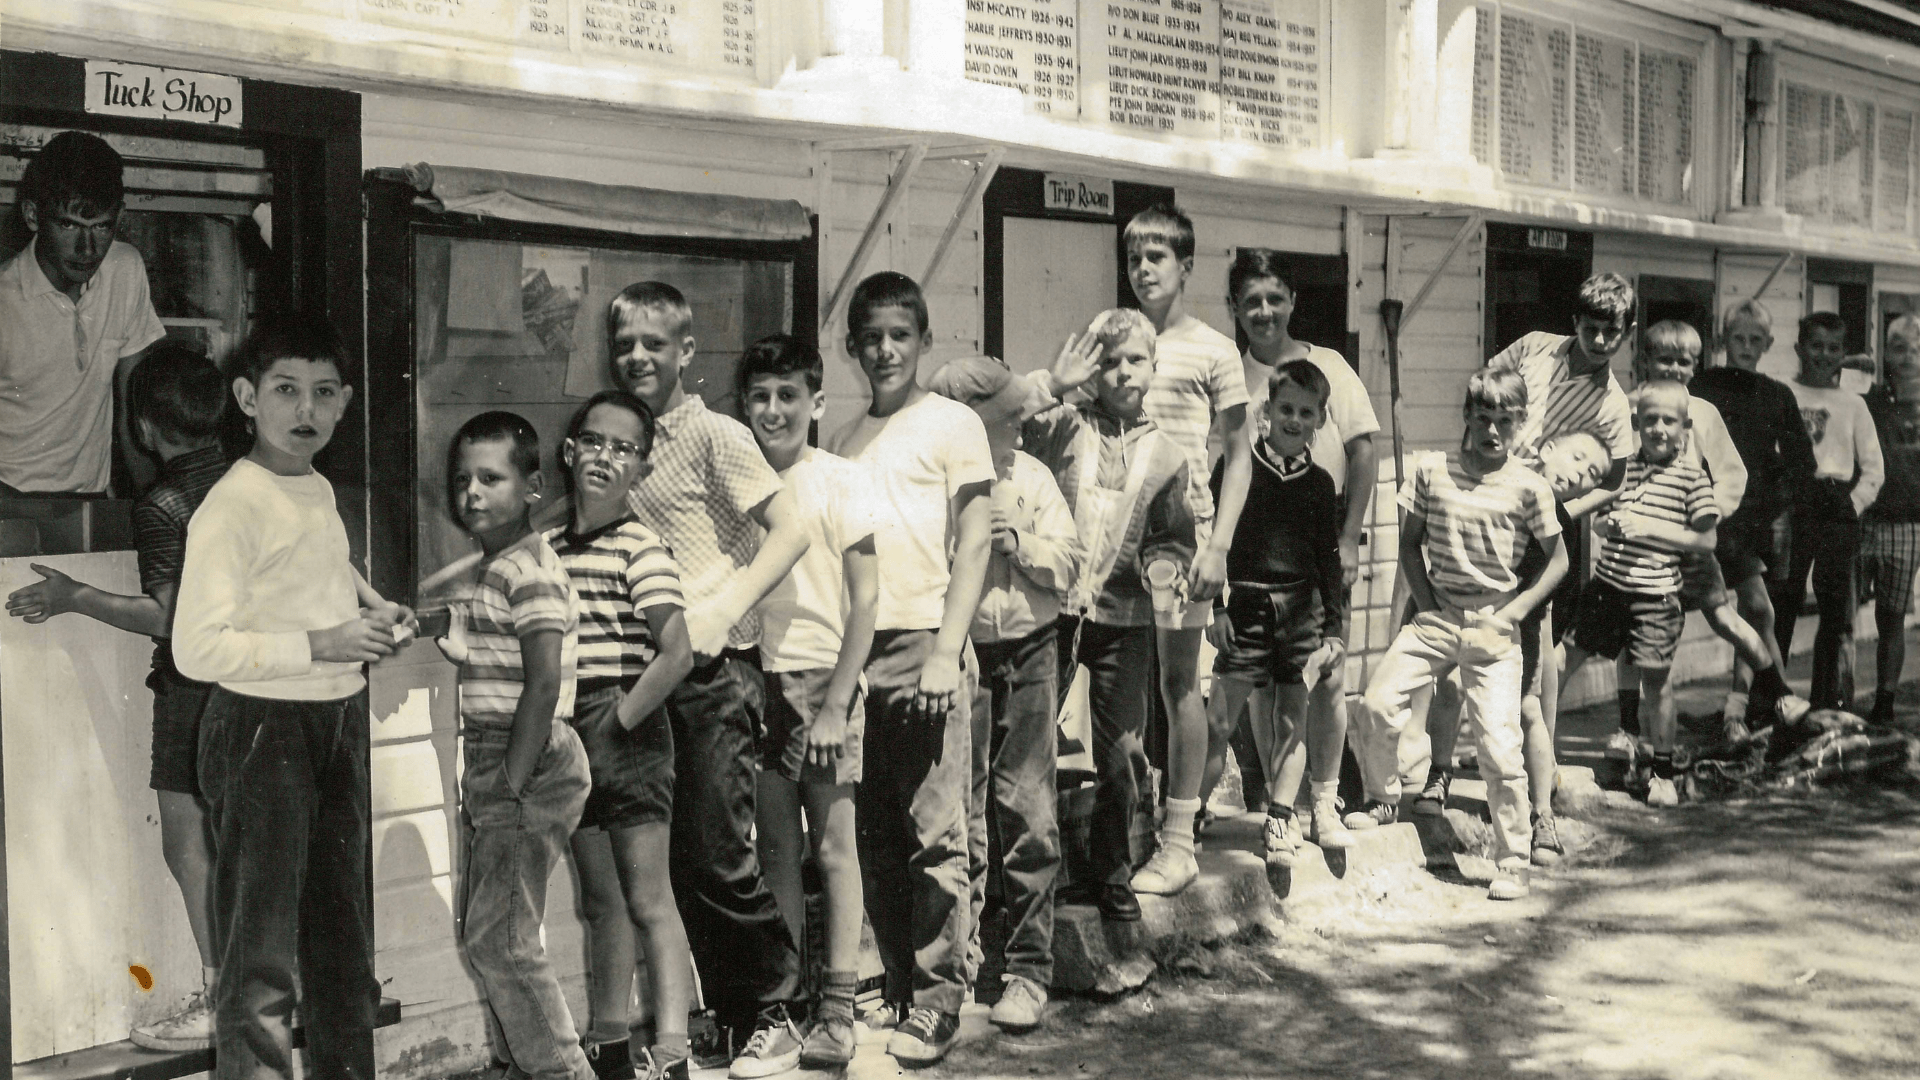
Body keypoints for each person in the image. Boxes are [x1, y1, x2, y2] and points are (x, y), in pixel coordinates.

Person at [172, 316, 415, 1080]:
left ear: (344, 402)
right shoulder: (231, 505)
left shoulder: (313, 486)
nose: (305, 410)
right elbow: (195, 649)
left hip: (335, 722)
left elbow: (324, 565)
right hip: (261, 728)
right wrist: (322, 643)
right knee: (262, 959)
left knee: (344, 952)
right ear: (247, 398)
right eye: (285, 390)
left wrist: (374, 608)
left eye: (323, 392)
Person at [599, 283, 813, 1076]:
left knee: (721, 851)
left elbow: (791, 530)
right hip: (654, 671)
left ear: (686, 352)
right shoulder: (619, 439)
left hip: (718, 673)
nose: (638, 357)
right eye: (626, 345)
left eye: (654, 344)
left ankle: (778, 1011)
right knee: (683, 858)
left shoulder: (716, 434)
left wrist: (725, 607)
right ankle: (737, 1014)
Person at [4, 343, 228, 1050]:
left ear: (145, 428)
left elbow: (169, 616)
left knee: (187, 844)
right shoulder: (250, 478)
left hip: (195, 690)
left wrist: (75, 596)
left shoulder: (164, 504)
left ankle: (223, 995)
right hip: (262, 686)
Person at [1031, 205, 1251, 899]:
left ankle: (1179, 841)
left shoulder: (1215, 349)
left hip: (1183, 539)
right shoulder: (1108, 335)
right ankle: (1114, 841)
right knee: (1105, 695)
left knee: (1178, 684)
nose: (1144, 269)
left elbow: (1239, 454)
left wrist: (1219, 546)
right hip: (1105, 544)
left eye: (1158, 257)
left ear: (1186, 266)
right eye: (1134, 258)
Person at [824, 271, 994, 1068]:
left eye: (899, 335)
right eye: (871, 338)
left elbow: (976, 542)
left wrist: (945, 651)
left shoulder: (954, 423)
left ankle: (937, 999)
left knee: (936, 834)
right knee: (876, 835)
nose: (885, 350)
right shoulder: (842, 441)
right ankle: (897, 982)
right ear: (851, 347)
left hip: (926, 644)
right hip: (857, 653)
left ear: (924, 339)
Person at [1405, 273, 1638, 846]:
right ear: (1575, 321)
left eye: (1611, 332)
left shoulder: (1612, 403)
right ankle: (1435, 770)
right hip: (1478, 504)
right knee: (1445, 646)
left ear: (1626, 333)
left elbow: (1615, 479)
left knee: (1532, 661)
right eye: (1590, 327)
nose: (1599, 340)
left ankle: (1541, 795)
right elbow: (1485, 394)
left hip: (1536, 526)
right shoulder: (1533, 347)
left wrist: (1559, 509)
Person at [1353, 367, 1567, 901]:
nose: (1493, 430)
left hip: (1494, 626)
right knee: (1377, 703)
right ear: (1467, 416)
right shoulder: (1432, 471)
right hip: (1438, 617)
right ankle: (1382, 797)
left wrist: (1513, 613)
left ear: (1520, 422)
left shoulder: (1530, 486)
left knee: (1499, 746)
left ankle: (1513, 860)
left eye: (1505, 421)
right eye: (1484, 417)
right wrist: (1429, 607)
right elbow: (1410, 544)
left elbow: (1558, 560)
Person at [435, 412, 596, 1080]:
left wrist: (510, 777)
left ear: (532, 488)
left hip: (525, 756)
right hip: (504, 753)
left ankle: (562, 1072)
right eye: (462, 479)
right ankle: (519, 1066)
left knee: (500, 940)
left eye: (490, 478)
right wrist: (462, 647)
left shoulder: (526, 568)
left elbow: (543, 683)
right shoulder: (497, 566)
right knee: (496, 931)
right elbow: (506, 659)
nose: (471, 492)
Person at [1022, 309, 1195, 925]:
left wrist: (1164, 567)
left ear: (1154, 367)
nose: (1123, 372)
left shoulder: (1168, 455)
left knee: (1123, 753)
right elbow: (1009, 426)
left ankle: (1112, 872)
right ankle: (1029, 882)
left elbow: (1172, 537)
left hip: (1125, 619)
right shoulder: (1063, 426)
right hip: (1053, 612)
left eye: (1135, 360)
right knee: (1032, 745)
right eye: (1110, 361)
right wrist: (1054, 384)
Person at [735, 337, 880, 1069]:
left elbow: (866, 602)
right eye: (759, 396)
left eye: (788, 395)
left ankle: (839, 1009)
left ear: (816, 402)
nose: (773, 410)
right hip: (755, 677)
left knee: (832, 847)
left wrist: (835, 705)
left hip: (824, 677)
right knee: (775, 850)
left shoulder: (838, 480)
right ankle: (785, 1006)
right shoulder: (739, 479)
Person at [544, 391, 698, 1080]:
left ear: (643, 466)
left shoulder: (641, 546)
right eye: (594, 441)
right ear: (569, 451)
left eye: (624, 448)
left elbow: (677, 653)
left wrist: (622, 719)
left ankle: (672, 1049)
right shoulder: (549, 549)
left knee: (647, 899)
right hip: (572, 728)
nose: (605, 456)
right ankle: (610, 1045)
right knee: (601, 900)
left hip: (628, 725)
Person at [926, 354, 1077, 1035]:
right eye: (1008, 416)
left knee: (1028, 806)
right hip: (954, 655)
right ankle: (961, 961)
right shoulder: (934, 481)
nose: (1022, 423)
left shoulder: (1032, 477)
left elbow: (1070, 561)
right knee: (960, 809)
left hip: (1029, 651)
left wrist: (1019, 543)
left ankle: (1028, 969)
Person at [1218, 249, 1377, 848]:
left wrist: (1349, 537)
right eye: (1251, 301)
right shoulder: (1229, 376)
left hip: (1320, 540)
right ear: (1235, 308)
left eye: (1274, 299)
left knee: (1326, 678)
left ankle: (1325, 804)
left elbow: (1363, 450)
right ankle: (1278, 806)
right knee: (1265, 688)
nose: (1264, 312)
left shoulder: (1328, 364)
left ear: (1292, 301)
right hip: (1258, 550)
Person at [1613, 322, 1808, 753]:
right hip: (1643, 548)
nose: (1674, 369)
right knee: (1635, 633)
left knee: (1727, 617)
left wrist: (1707, 514)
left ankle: (1778, 693)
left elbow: (1731, 473)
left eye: (1684, 362)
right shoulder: (1626, 407)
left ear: (1695, 366)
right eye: (1664, 359)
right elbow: (1614, 473)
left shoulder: (1702, 411)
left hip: (1689, 540)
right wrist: (1619, 517)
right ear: (1644, 360)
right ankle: (1628, 731)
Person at [1198, 359, 1350, 866]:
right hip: (1246, 607)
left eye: (1306, 413)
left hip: (1302, 613)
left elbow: (1329, 561)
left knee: (1291, 719)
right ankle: (1188, 812)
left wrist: (1333, 629)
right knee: (1218, 720)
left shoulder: (1320, 483)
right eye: (1286, 409)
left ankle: (1281, 816)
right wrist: (1216, 609)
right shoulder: (1237, 468)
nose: (1294, 420)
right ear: (1266, 411)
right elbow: (1212, 537)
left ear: (1320, 419)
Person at [1559, 381, 1718, 808]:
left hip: (1655, 597)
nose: (1658, 429)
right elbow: (1598, 520)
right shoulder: (1623, 470)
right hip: (1608, 587)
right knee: (1562, 660)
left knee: (1656, 682)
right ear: (1636, 423)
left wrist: (1649, 527)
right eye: (1649, 420)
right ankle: (1530, 750)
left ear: (1684, 427)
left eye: (1668, 420)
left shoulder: (1691, 476)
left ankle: (1663, 772)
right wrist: (1607, 525)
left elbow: (1706, 540)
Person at [1, 130, 166, 494]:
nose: (87, 249)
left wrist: (156, 503)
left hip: (91, 499)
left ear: (120, 216)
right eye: (68, 225)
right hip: (9, 500)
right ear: (32, 215)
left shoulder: (125, 268)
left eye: (101, 227)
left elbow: (132, 410)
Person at [1689, 301, 1820, 735]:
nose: (1746, 347)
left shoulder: (1777, 394)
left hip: (1757, 518)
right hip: (1709, 513)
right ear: (1723, 339)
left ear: (1768, 344)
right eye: (1739, 338)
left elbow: (1802, 462)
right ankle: (1777, 701)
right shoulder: (1701, 385)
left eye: (1755, 340)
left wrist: (1775, 495)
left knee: (1756, 611)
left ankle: (1739, 709)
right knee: (1748, 611)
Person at [1776, 312, 1884, 711]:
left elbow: (1874, 468)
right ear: (1799, 348)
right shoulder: (1782, 392)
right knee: (1782, 600)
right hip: (1792, 501)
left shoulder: (1853, 404)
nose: (1823, 354)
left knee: (1834, 608)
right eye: (1816, 345)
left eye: (1833, 348)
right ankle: (1772, 698)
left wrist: (1852, 506)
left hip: (1837, 504)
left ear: (1843, 354)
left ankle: (1825, 702)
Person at [1860, 315, 1920, 726]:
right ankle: (1835, 697)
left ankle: (1885, 699)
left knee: (1892, 617)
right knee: (1844, 615)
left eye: (1916, 350)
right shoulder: (1871, 398)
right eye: (1899, 349)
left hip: (1908, 522)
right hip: (1865, 518)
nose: (1908, 357)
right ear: (1886, 353)